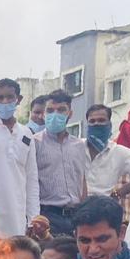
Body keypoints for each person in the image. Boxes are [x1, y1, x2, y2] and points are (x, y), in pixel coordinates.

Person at [0, 79, 43, 238]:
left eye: (10, 97)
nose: (5, 102)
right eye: (0, 98)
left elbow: (31, 179)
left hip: (17, 217)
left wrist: (33, 219)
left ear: (19, 99)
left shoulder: (26, 134)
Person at [35, 89, 89, 235]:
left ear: (70, 113)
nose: (55, 114)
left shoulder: (79, 145)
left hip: (76, 216)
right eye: (50, 110)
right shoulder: (35, 143)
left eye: (61, 110)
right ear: (43, 114)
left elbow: (81, 180)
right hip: (48, 215)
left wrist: (84, 211)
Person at [83, 103, 130, 195]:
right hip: (76, 206)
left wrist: (119, 192)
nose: (96, 124)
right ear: (87, 125)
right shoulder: (75, 147)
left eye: (101, 120)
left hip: (104, 206)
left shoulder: (120, 152)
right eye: (92, 121)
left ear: (110, 125)